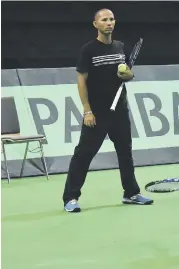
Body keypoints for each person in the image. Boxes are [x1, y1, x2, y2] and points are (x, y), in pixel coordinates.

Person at [62, 8, 153, 213]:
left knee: (125, 153)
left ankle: (131, 193)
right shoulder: (89, 49)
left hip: (119, 111)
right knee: (84, 154)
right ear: (96, 24)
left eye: (111, 19)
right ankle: (70, 197)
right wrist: (87, 110)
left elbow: (128, 74)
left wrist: (128, 76)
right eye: (104, 20)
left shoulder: (120, 47)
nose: (109, 23)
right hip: (97, 112)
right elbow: (81, 80)